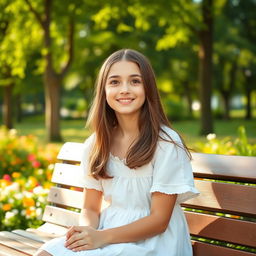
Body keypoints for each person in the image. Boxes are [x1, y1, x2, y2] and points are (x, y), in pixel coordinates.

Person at [35, 49, 199, 256]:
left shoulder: (166, 144)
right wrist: (87, 232)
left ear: (148, 88)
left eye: (135, 81)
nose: (124, 89)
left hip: (154, 242)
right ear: (104, 90)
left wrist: (101, 238)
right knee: (48, 252)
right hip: (107, 232)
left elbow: (159, 221)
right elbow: (91, 209)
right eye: (114, 82)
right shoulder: (96, 144)